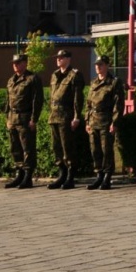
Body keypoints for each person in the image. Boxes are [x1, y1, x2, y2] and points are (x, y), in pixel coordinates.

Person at [4, 53, 44, 189]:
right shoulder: (11, 80)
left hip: (25, 118)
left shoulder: (32, 79)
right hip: (13, 119)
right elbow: (7, 102)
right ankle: (19, 173)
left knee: (28, 148)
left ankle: (28, 176)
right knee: (15, 148)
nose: (15, 65)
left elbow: (37, 101)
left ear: (25, 63)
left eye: (18, 63)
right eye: (14, 63)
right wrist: (7, 118)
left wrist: (34, 119)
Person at [85, 54, 125, 190]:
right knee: (95, 150)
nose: (98, 67)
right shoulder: (94, 82)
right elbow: (89, 103)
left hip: (106, 120)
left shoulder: (114, 82)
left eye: (101, 64)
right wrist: (87, 121)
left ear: (107, 65)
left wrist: (115, 122)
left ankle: (107, 176)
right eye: (96, 65)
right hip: (93, 120)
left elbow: (118, 104)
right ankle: (99, 175)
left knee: (106, 150)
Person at [47, 48, 85, 190]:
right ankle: (61, 174)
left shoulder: (75, 75)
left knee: (67, 147)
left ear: (68, 59)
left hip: (66, 116)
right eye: (58, 57)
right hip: (54, 115)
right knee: (57, 148)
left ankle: (70, 176)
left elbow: (77, 99)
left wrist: (76, 116)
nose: (58, 59)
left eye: (62, 57)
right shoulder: (54, 75)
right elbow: (52, 96)